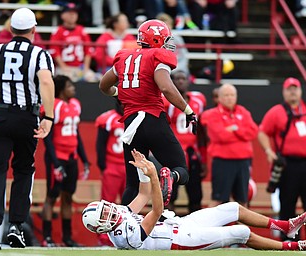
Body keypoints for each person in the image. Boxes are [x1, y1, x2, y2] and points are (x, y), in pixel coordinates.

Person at [82, 149, 306, 251]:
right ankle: (292, 247)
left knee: (233, 208)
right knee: (241, 233)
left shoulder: (119, 216)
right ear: (100, 228)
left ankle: (286, 226)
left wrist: (143, 171)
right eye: (104, 216)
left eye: (105, 209)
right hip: (182, 239)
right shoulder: (125, 237)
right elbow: (157, 209)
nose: (109, 212)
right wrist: (153, 176)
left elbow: (142, 195)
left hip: (179, 224)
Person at [99, 19, 198, 206]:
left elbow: (104, 85)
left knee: (132, 185)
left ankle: (123, 225)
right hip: (153, 120)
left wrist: (119, 93)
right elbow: (166, 88)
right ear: (156, 40)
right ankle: (169, 177)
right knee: (181, 171)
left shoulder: (123, 56)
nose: (169, 42)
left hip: (131, 125)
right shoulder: (158, 56)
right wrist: (188, 110)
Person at [0, 7, 55, 250]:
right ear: (34, 29)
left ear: (11, 28)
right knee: (24, 170)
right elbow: (46, 81)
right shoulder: (39, 54)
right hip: (27, 116)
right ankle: (15, 225)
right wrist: (49, 116)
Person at [41, 75, 90, 247]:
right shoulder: (53, 105)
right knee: (51, 197)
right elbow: (47, 137)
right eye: (70, 86)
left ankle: (67, 238)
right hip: (57, 158)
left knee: (68, 197)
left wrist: (84, 159)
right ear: (61, 89)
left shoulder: (75, 104)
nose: (73, 89)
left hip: (71, 157)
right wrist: (55, 163)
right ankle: (47, 237)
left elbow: (76, 134)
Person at [258, 77, 306, 241]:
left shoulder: (305, 110)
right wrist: (268, 151)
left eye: (295, 88)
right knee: (287, 203)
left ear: (300, 91)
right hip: (288, 164)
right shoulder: (277, 111)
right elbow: (262, 131)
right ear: (284, 92)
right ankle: (289, 242)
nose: (293, 92)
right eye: (289, 89)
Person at [201, 83, 258, 207]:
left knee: (243, 200)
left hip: (243, 162)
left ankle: (243, 226)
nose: (229, 98)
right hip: (223, 162)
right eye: (226, 95)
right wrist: (240, 133)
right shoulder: (213, 114)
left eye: (232, 95)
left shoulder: (243, 111)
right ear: (219, 98)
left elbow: (253, 132)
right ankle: (213, 226)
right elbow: (219, 135)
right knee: (218, 200)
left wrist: (235, 129)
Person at [163, 70, 207, 213]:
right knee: (170, 194)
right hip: (173, 152)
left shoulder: (198, 100)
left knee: (195, 195)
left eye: (184, 78)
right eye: (177, 79)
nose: (181, 81)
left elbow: (201, 131)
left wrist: (204, 158)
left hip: (192, 151)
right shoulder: (166, 102)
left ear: (189, 81)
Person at [95, 100, 125, 246]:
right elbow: (100, 144)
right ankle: (104, 239)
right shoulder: (108, 119)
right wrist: (103, 165)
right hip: (112, 165)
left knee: (129, 203)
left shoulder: (136, 118)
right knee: (107, 204)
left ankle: (127, 235)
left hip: (130, 166)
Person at [49, 2, 98, 82]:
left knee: (93, 78)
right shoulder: (58, 31)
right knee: (65, 79)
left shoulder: (81, 30)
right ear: (62, 15)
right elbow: (55, 52)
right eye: (69, 13)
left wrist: (86, 68)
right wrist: (64, 67)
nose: (73, 15)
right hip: (64, 67)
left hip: (80, 67)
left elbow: (88, 51)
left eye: (75, 13)